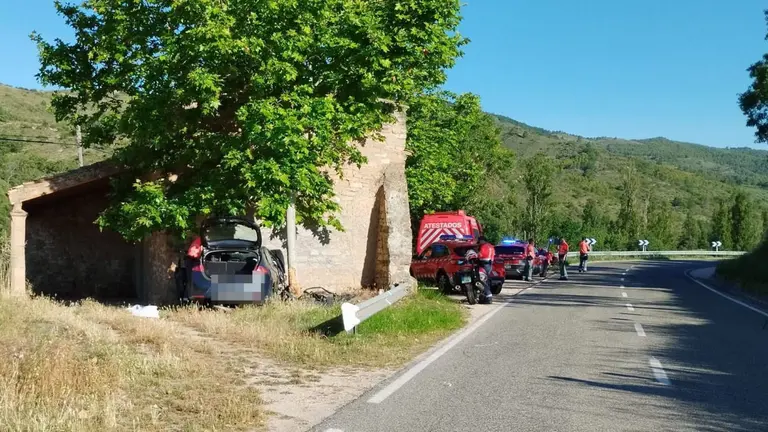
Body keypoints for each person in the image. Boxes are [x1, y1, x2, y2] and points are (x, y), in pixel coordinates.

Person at [477, 236, 495, 304]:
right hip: (489, 264)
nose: (479, 242)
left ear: (482, 240)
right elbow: (493, 255)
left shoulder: (484, 246)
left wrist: (476, 254)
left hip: (484, 264)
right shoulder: (491, 246)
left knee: (483, 280)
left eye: (480, 241)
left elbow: (481, 255)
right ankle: (487, 296)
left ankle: (488, 296)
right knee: (487, 280)